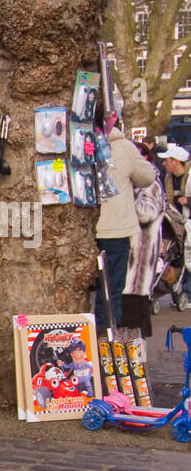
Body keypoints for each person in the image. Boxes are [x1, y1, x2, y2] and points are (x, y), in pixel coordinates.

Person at [94, 124, 156, 330]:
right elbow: (147, 176)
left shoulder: (78, 142)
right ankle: (106, 340)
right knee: (110, 292)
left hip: (83, 231)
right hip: (114, 229)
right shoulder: (123, 146)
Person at [121, 142, 166, 336]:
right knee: (127, 309)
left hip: (140, 255)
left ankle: (137, 357)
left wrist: (126, 196)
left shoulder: (150, 184)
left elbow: (146, 213)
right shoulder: (136, 183)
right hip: (131, 254)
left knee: (135, 310)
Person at [158, 142, 190, 310]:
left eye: (167, 160)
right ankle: (178, 288)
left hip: (187, 222)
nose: (164, 163)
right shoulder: (168, 178)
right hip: (176, 224)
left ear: (176, 161)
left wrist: (188, 201)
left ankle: (187, 291)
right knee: (177, 255)